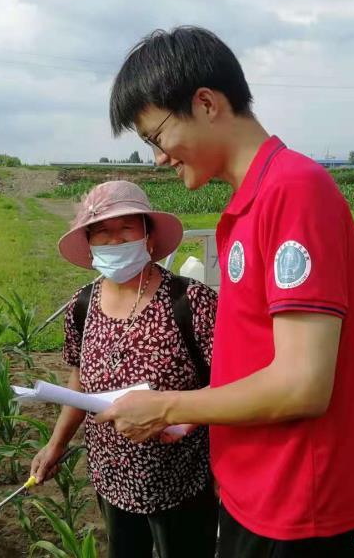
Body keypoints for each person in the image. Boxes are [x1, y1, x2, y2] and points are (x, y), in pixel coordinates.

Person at [95, 26, 354, 557]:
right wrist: (188, 410)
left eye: (156, 136)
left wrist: (168, 407)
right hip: (257, 494)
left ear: (205, 103)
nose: (158, 157)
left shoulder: (293, 190)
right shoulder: (249, 204)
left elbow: (302, 385)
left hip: (300, 512)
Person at [30, 180, 219, 558]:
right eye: (102, 231)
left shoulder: (190, 300)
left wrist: (186, 419)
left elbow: (230, 381)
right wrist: (56, 444)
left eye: (126, 228)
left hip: (182, 476)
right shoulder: (82, 304)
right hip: (112, 475)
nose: (115, 240)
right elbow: (79, 381)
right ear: (89, 243)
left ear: (148, 236)